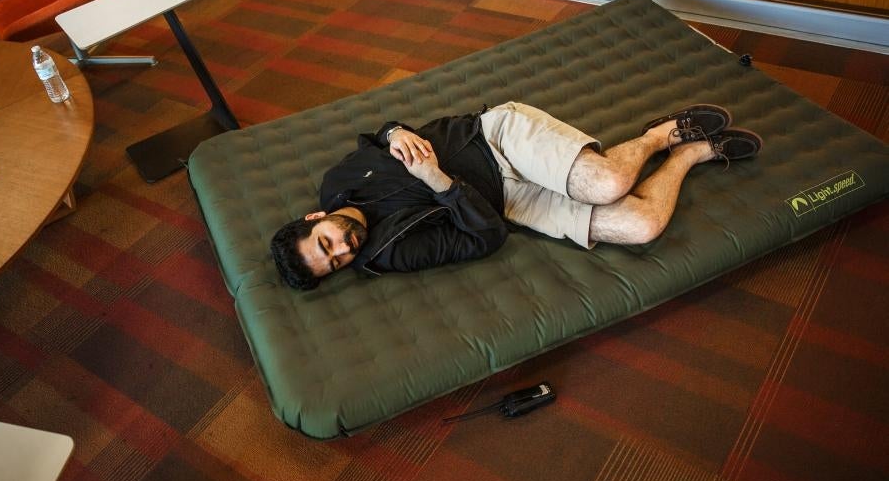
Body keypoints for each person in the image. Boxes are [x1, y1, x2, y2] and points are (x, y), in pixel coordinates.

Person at [270, 102, 763, 290]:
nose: (344, 250)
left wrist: (395, 129)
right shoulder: (386, 253)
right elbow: (486, 238)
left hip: (493, 138)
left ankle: (658, 136)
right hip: (505, 202)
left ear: (316, 216)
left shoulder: (339, 181)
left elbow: (377, 136)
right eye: (335, 263)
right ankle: (689, 156)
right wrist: (440, 184)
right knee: (642, 226)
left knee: (611, 182)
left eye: (326, 242)